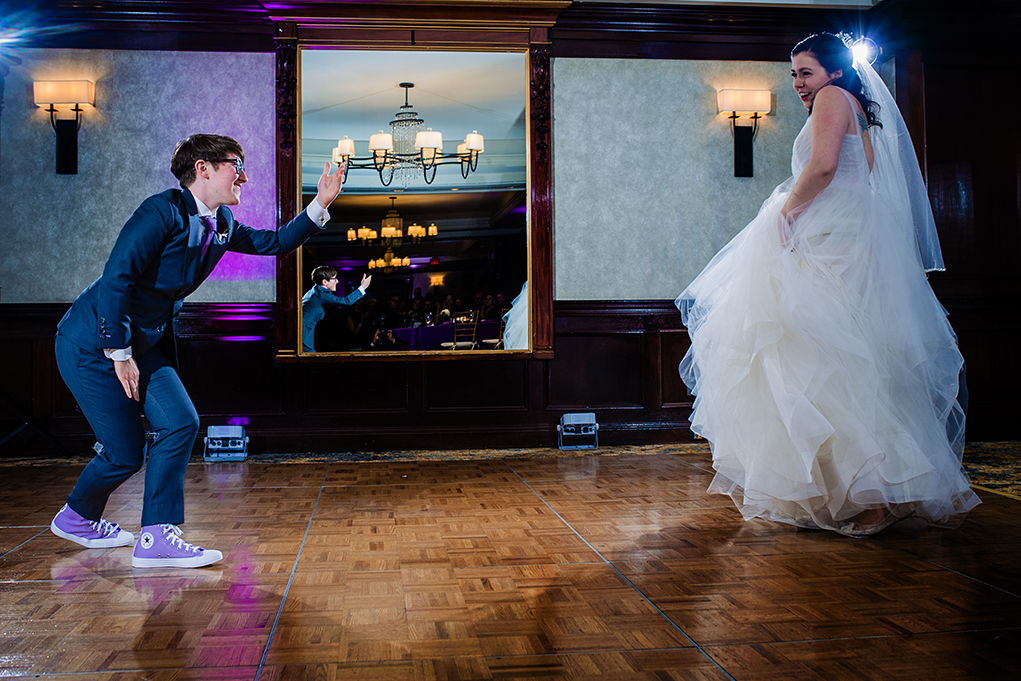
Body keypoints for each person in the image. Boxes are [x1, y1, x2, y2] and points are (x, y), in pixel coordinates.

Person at [675, 34, 980, 537]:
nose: (797, 83)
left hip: (832, 236)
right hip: (850, 234)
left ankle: (873, 496)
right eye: (793, 74)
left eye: (806, 73)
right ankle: (862, 492)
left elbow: (823, 167)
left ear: (835, 73)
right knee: (846, 364)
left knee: (825, 362)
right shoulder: (857, 106)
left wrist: (786, 215)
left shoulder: (834, 100)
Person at [50, 133, 349, 567]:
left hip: (141, 340)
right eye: (235, 164)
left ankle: (154, 536)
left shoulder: (222, 222)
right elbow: (117, 276)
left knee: (180, 423)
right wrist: (118, 351)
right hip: (92, 342)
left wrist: (321, 203)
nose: (244, 175)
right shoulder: (160, 211)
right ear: (203, 169)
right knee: (124, 452)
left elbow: (276, 242)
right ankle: (77, 516)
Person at [301, 266, 370, 352]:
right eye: (334, 279)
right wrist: (362, 287)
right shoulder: (322, 293)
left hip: (304, 331)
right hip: (304, 333)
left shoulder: (316, 291)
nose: (337, 281)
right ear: (324, 282)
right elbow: (346, 301)